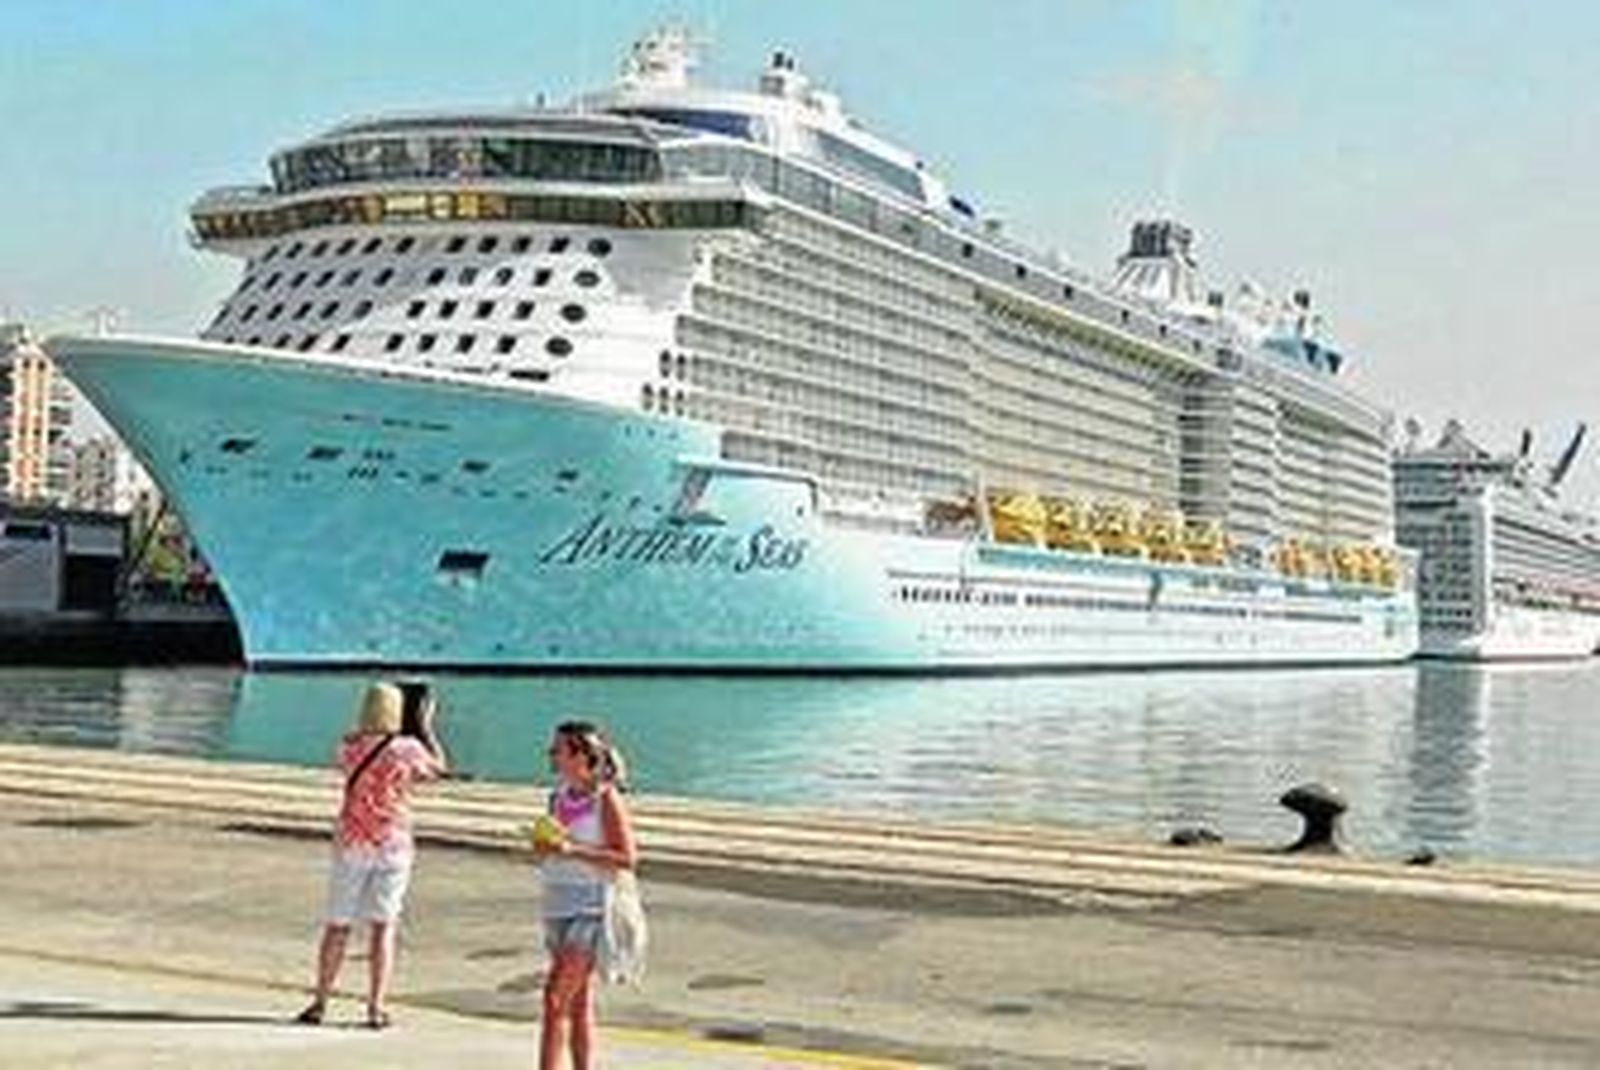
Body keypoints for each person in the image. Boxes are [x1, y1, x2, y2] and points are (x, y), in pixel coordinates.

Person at [295, 681, 447, 1029]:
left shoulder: (348, 747)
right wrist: (426, 726)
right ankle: (375, 1007)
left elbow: (351, 757)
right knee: (383, 928)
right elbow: (439, 767)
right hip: (393, 843)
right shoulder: (408, 749)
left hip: (352, 842)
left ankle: (320, 1001)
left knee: (338, 925)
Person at [533, 720, 639, 1070]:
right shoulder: (557, 796)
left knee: (554, 999)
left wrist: (570, 849)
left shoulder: (606, 799)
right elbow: (554, 850)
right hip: (556, 905)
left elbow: (627, 858)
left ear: (581, 756)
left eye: (558, 749)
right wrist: (545, 847)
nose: (551, 754)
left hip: (591, 907)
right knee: (577, 1003)